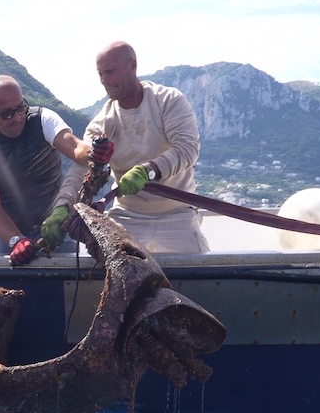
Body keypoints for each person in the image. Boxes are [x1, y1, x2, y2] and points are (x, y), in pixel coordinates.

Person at [53, 40, 208, 253]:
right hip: (127, 216)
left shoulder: (168, 100)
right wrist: (62, 206)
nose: (104, 81)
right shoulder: (103, 123)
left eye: (110, 72)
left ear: (132, 65)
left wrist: (147, 171)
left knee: (197, 276)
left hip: (177, 213)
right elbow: (82, 167)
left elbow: (187, 148)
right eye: (100, 74)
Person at [0, 75, 95, 265]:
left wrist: (94, 151)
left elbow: (74, 147)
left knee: (68, 283)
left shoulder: (43, 119)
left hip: (56, 225)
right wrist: (16, 240)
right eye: (7, 113)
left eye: (20, 108)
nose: (17, 118)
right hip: (10, 228)